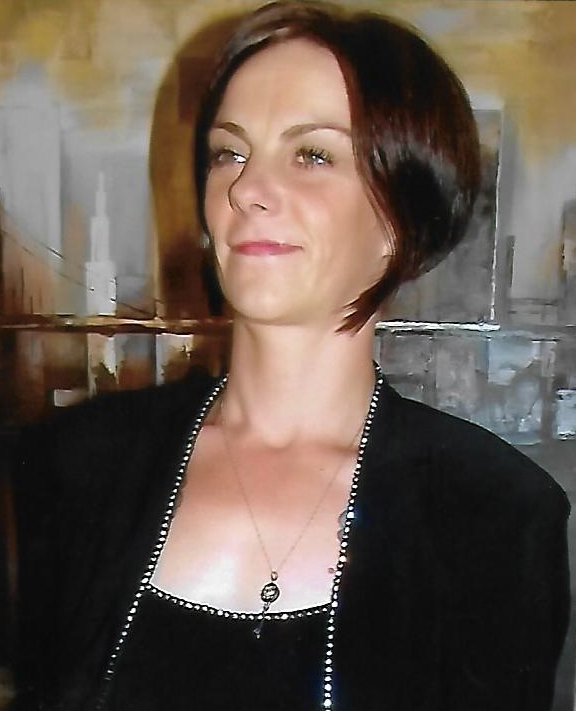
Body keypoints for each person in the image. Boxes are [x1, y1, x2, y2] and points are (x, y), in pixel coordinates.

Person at [12, 2, 570, 710]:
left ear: (401, 217)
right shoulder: (76, 464)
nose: (247, 189)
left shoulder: (493, 517)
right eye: (229, 152)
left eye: (312, 155)